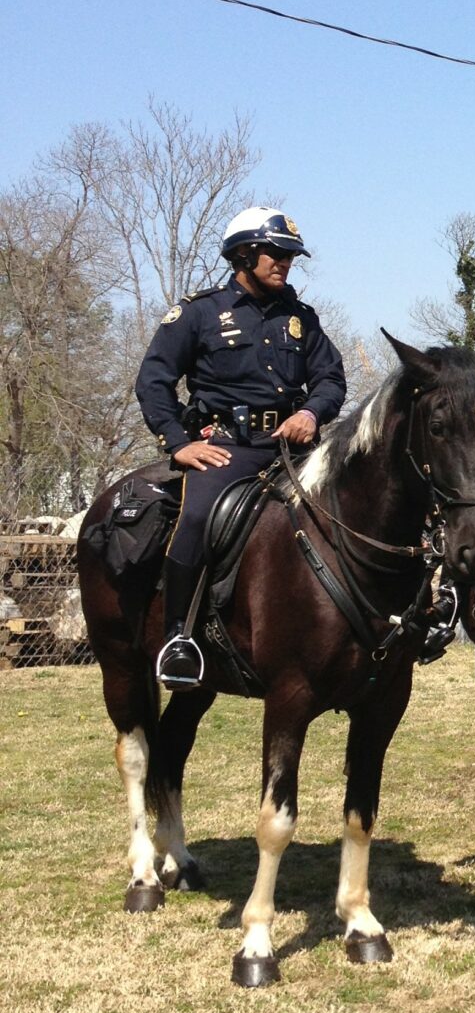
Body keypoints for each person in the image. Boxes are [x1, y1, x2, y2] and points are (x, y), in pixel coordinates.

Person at [135, 206, 347, 689]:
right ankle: (178, 639)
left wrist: (311, 414)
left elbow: (331, 379)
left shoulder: (301, 318)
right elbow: (153, 381)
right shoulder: (199, 312)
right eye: (276, 254)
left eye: (290, 256)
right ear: (244, 255)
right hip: (226, 449)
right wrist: (179, 444)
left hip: (294, 452)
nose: (285, 263)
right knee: (196, 517)